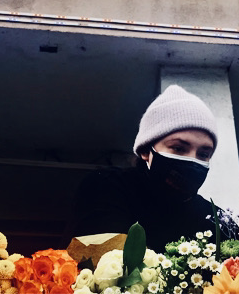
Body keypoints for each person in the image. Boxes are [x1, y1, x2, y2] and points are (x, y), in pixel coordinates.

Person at [73, 85, 218, 250]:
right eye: (178, 148)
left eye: (204, 154)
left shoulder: (214, 218)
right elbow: (103, 262)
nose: (192, 161)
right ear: (145, 150)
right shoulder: (108, 187)